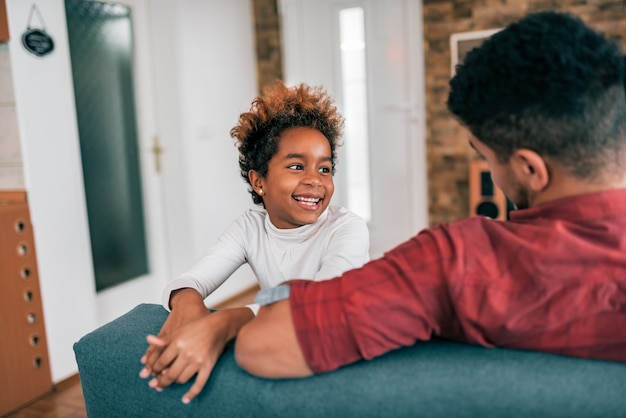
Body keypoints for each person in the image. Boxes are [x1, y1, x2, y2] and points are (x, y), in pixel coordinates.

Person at [234, 11, 626, 379]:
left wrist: (241, 314)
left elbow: (263, 346)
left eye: (487, 158)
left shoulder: (459, 262)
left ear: (529, 169)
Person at [139, 81, 370, 401]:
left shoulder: (348, 229)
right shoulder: (249, 228)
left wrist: (227, 322)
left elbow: (322, 304)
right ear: (258, 181)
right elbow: (193, 279)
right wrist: (186, 302)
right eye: (296, 165)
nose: (315, 180)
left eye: (325, 168)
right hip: (283, 338)